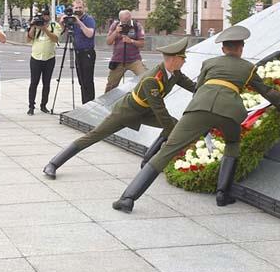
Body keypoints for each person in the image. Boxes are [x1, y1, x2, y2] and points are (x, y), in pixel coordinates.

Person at [113, 26, 280, 213]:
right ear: (241, 48)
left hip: (199, 108)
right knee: (232, 143)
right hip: (230, 113)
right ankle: (222, 194)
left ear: (222, 49)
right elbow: (268, 92)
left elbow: (198, 89)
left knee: (168, 150)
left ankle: (128, 198)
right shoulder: (248, 67)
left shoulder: (209, 63)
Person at [43, 38, 195, 179]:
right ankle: (53, 163)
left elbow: (192, 86)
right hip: (126, 112)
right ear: (174, 59)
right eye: (183, 59)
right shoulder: (152, 79)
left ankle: (148, 162)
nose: (184, 61)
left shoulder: (174, 73)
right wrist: (172, 130)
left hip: (145, 111)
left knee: (173, 125)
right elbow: (160, 110)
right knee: (94, 135)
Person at [61, 0, 97, 104]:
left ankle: (90, 104)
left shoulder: (88, 19)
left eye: (80, 7)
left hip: (87, 52)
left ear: (84, 8)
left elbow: (89, 34)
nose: (78, 9)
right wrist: (63, 22)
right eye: (76, 7)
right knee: (81, 81)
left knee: (88, 81)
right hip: (78, 52)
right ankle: (84, 103)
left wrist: (79, 22)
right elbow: (63, 32)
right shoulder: (71, 20)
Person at [27, 9, 62, 115]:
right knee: (34, 83)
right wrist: (33, 26)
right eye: (43, 16)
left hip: (49, 58)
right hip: (35, 58)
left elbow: (55, 39)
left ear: (50, 16)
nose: (45, 18)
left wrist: (45, 29)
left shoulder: (54, 25)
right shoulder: (35, 25)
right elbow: (28, 39)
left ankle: (43, 105)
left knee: (46, 83)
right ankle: (31, 106)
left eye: (47, 15)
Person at [105, 10, 147, 93]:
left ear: (130, 17)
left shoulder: (137, 26)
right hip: (118, 60)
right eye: (124, 20)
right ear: (120, 19)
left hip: (134, 60)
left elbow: (142, 43)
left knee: (146, 78)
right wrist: (115, 32)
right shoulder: (115, 25)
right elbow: (108, 42)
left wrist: (131, 41)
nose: (126, 23)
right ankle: (106, 103)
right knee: (111, 85)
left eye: (128, 19)